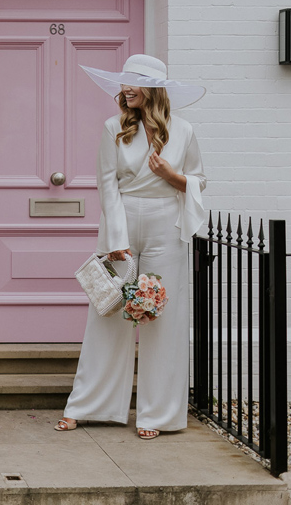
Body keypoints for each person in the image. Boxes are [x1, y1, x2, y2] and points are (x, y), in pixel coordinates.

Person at [56, 54, 206, 440]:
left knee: (162, 320)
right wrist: (116, 241)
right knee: (108, 313)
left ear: (154, 89)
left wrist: (170, 174)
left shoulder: (184, 131)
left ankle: (157, 414)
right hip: (122, 224)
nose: (125, 88)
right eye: (123, 82)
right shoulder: (113, 128)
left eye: (134, 82)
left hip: (165, 226)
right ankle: (88, 405)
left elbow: (198, 182)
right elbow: (107, 185)